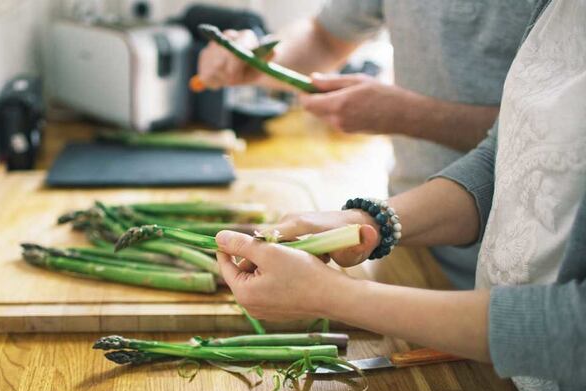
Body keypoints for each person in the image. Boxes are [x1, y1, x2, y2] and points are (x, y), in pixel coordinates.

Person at [213, 0, 585, 391]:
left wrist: (333, 295)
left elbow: (572, 325)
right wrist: (366, 220)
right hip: (506, 374)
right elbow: (507, 154)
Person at [197, 1, 536, 289]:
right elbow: (324, 38)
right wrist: (257, 60)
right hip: (405, 229)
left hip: (526, 257)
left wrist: (408, 115)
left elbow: (550, 134)